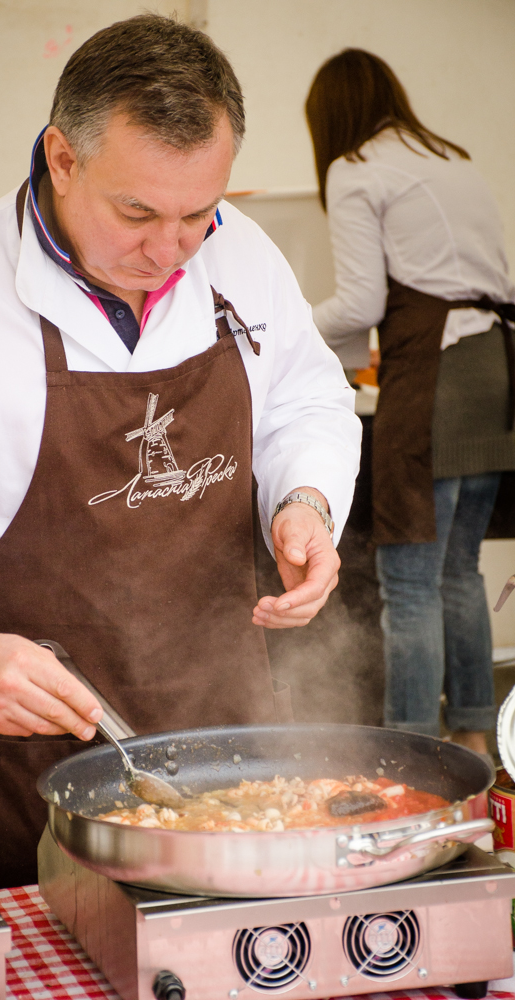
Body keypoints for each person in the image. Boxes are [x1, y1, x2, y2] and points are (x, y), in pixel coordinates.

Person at [0, 15, 360, 889]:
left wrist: (305, 501)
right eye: (137, 213)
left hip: (229, 734)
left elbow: (307, 397)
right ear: (62, 158)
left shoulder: (242, 258)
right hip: (25, 761)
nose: (169, 251)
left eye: (198, 214)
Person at [306, 48, 515, 753]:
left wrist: (285, 326)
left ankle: (413, 752)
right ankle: (476, 739)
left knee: (410, 579)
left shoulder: (356, 168)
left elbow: (361, 302)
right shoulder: (450, 158)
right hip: (496, 370)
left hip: (435, 374)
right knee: (459, 568)